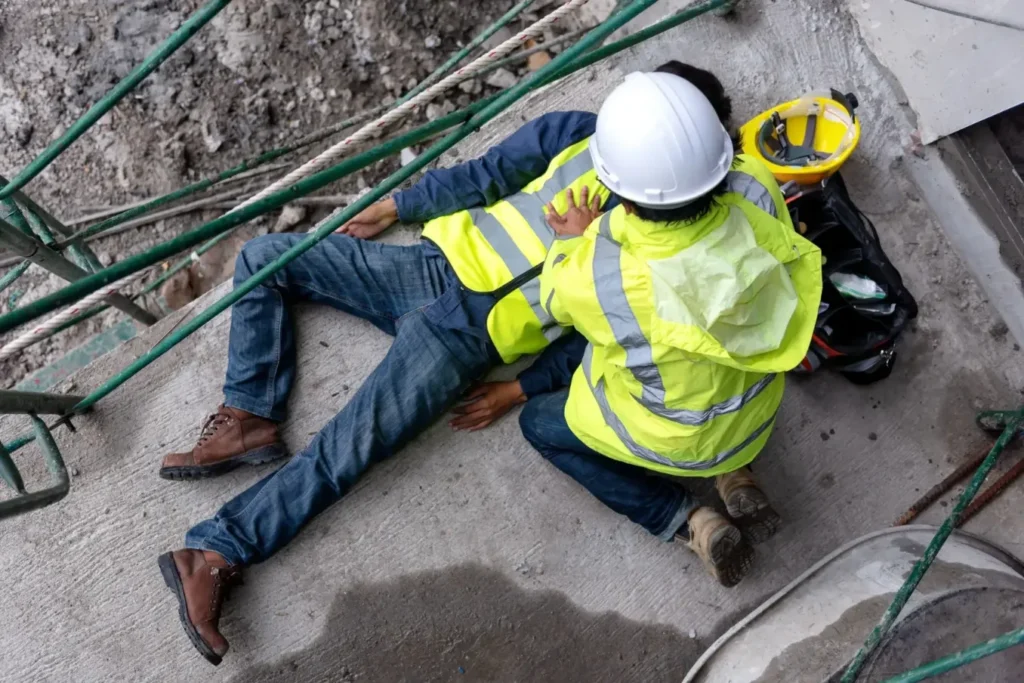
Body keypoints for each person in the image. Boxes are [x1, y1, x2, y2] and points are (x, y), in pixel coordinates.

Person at [155, 60, 767, 665]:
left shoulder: (668, 238)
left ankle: (213, 553)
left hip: (467, 339)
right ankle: (247, 415)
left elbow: (605, 339)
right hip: (430, 265)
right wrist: (403, 205)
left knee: (343, 453)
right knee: (266, 259)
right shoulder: (578, 131)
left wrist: (521, 388)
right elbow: (489, 173)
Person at [505, 71, 823, 587]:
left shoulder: (600, 269)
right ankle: (733, 474)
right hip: (757, 409)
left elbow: (555, 302)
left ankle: (691, 522)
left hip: (673, 436)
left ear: (619, 195)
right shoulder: (759, 189)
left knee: (540, 426)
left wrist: (572, 240)